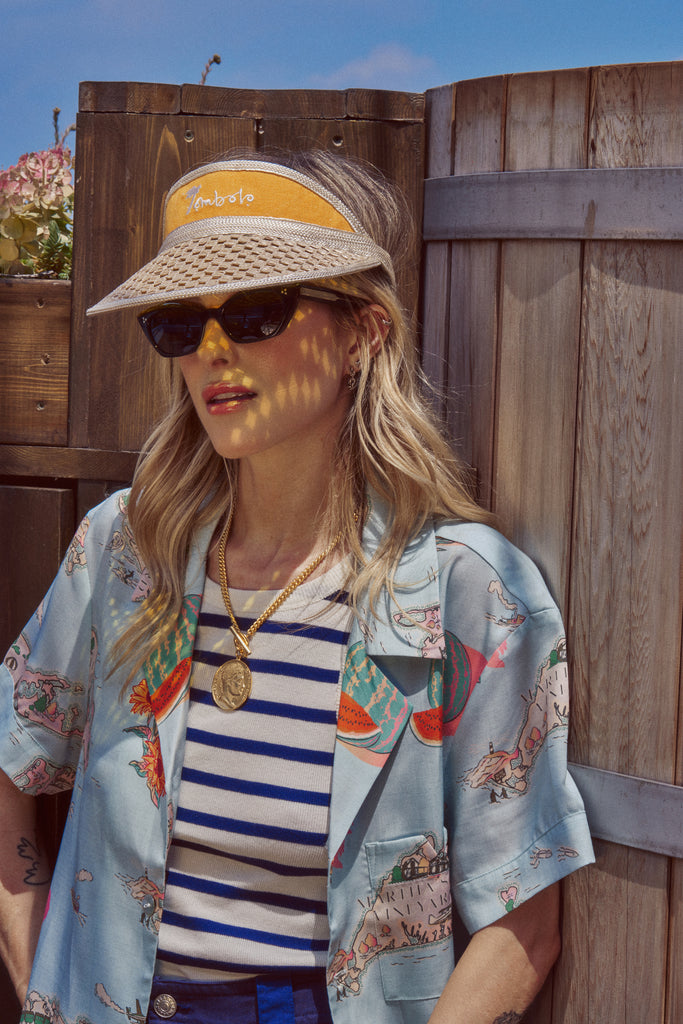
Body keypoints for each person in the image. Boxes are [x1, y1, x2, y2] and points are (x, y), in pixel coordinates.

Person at [0, 151, 594, 1024]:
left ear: (363, 333)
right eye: (179, 322)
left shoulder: (465, 594)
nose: (210, 351)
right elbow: (17, 746)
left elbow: (523, 918)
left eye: (253, 310)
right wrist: (36, 972)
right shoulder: (128, 553)